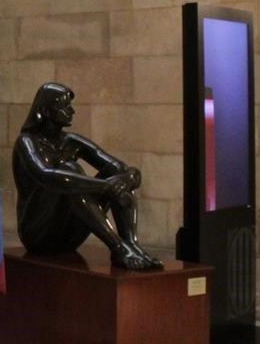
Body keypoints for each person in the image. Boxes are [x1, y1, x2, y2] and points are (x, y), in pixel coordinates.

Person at [12, 82, 164, 270]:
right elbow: (47, 176)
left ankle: (130, 244)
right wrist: (105, 186)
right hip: (38, 234)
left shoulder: (71, 141)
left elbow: (122, 168)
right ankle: (118, 247)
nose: (72, 111)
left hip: (68, 235)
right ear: (45, 110)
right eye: (64, 106)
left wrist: (127, 178)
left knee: (116, 178)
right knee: (71, 171)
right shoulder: (27, 142)